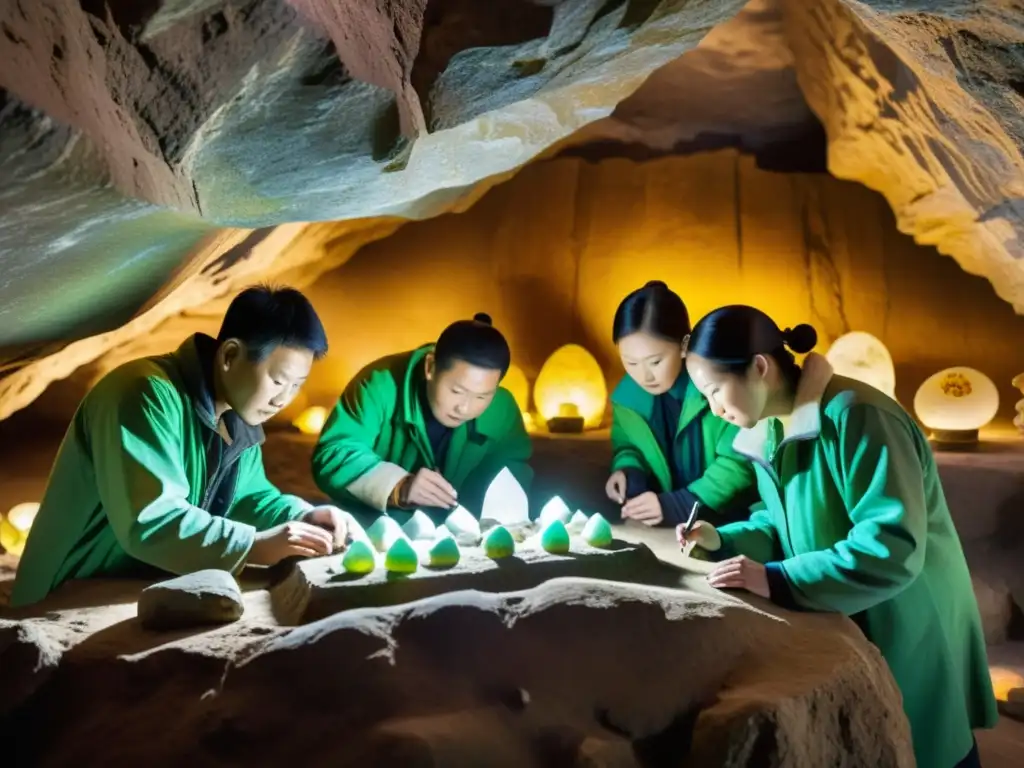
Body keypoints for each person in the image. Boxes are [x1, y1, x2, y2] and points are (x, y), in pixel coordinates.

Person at [678, 304, 997, 768]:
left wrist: (776, 578)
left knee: (930, 745)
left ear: (760, 368)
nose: (714, 409)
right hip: (850, 610)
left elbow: (892, 546)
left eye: (714, 390)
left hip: (907, 613)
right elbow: (781, 523)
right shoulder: (769, 431)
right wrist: (721, 539)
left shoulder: (860, 417)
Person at [11, 286, 350, 608]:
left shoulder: (238, 419)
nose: (283, 399)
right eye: (277, 381)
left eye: (296, 385)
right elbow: (152, 520)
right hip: (64, 591)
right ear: (230, 355)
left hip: (134, 582)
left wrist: (302, 515)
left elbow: (248, 499)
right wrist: (255, 546)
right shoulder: (142, 393)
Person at [312, 313, 531, 522]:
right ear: (430, 367)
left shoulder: (502, 408)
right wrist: (398, 486)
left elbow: (512, 473)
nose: (464, 408)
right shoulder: (379, 384)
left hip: (458, 541)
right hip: (372, 533)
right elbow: (333, 453)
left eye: (481, 396)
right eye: (456, 391)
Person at [606, 281, 756, 527]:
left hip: (734, 523)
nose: (644, 376)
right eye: (630, 363)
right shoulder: (627, 398)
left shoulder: (720, 386)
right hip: (671, 527)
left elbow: (740, 461)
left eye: (655, 362)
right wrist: (627, 471)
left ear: (684, 345)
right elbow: (627, 445)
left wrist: (679, 504)